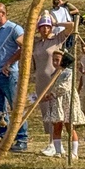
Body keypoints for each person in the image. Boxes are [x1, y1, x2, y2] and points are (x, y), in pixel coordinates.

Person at [0, 2, 29, 152]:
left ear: (2, 13)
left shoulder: (14, 29)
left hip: (9, 74)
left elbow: (26, 47)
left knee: (16, 106)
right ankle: (4, 139)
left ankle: (22, 138)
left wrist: (9, 62)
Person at [31, 12, 76, 155]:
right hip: (40, 79)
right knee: (46, 111)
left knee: (56, 111)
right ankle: (54, 143)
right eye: (42, 27)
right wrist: (35, 22)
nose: (45, 29)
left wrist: (55, 23)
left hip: (54, 78)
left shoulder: (57, 39)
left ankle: (53, 143)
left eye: (47, 27)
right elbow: (20, 39)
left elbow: (72, 26)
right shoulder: (36, 43)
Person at [39, 49, 85, 160]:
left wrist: (52, 94)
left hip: (67, 101)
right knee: (57, 125)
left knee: (70, 126)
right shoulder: (54, 73)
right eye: (53, 60)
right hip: (56, 102)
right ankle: (58, 151)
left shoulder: (69, 73)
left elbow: (65, 87)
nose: (55, 63)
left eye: (57, 60)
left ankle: (74, 152)